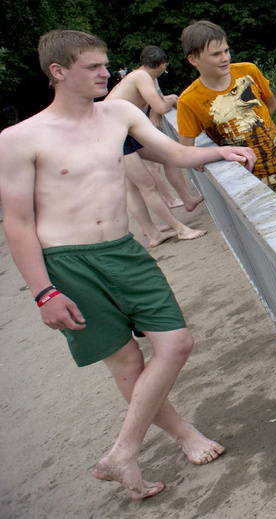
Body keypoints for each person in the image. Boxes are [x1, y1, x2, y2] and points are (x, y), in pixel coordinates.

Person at [0, 30, 258, 500]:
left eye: (105, 65)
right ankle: (180, 439)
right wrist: (44, 293)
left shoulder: (117, 114)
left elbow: (172, 153)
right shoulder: (20, 139)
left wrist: (218, 152)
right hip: (68, 264)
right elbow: (17, 223)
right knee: (127, 365)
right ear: (58, 72)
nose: (106, 74)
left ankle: (122, 452)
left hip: (124, 250)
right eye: (94, 67)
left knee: (177, 344)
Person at [175, 21, 276, 211]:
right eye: (216, 54)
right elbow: (185, 150)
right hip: (246, 181)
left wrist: (255, 129)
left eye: (226, 51)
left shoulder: (248, 71)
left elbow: (271, 105)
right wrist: (203, 159)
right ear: (193, 59)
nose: (225, 58)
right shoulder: (189, 101)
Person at [105, 46, 207, 247]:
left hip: (123, 131)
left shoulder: (144, 76)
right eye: (166, 68)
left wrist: (157, 107)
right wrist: (169, 100)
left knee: (167, 158)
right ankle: (180, 230)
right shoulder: (142, 76)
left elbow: (156, 105)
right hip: (110, 136)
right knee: (146, 185)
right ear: (162, 65)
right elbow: (161, 105)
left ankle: (163, 220)